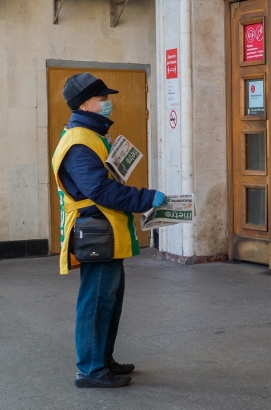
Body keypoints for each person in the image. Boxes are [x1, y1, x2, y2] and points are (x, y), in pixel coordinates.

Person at [51, 72, 167, 388]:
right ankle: (90, 370)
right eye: (102, 98)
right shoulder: (78, 142)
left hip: (105, 231)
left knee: (109, 302)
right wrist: (145, 198)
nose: (107, 103)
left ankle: (103, 360)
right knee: (96, 301)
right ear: (85, 103)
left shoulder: (92, 135)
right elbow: (99, 190)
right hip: (95, 233)